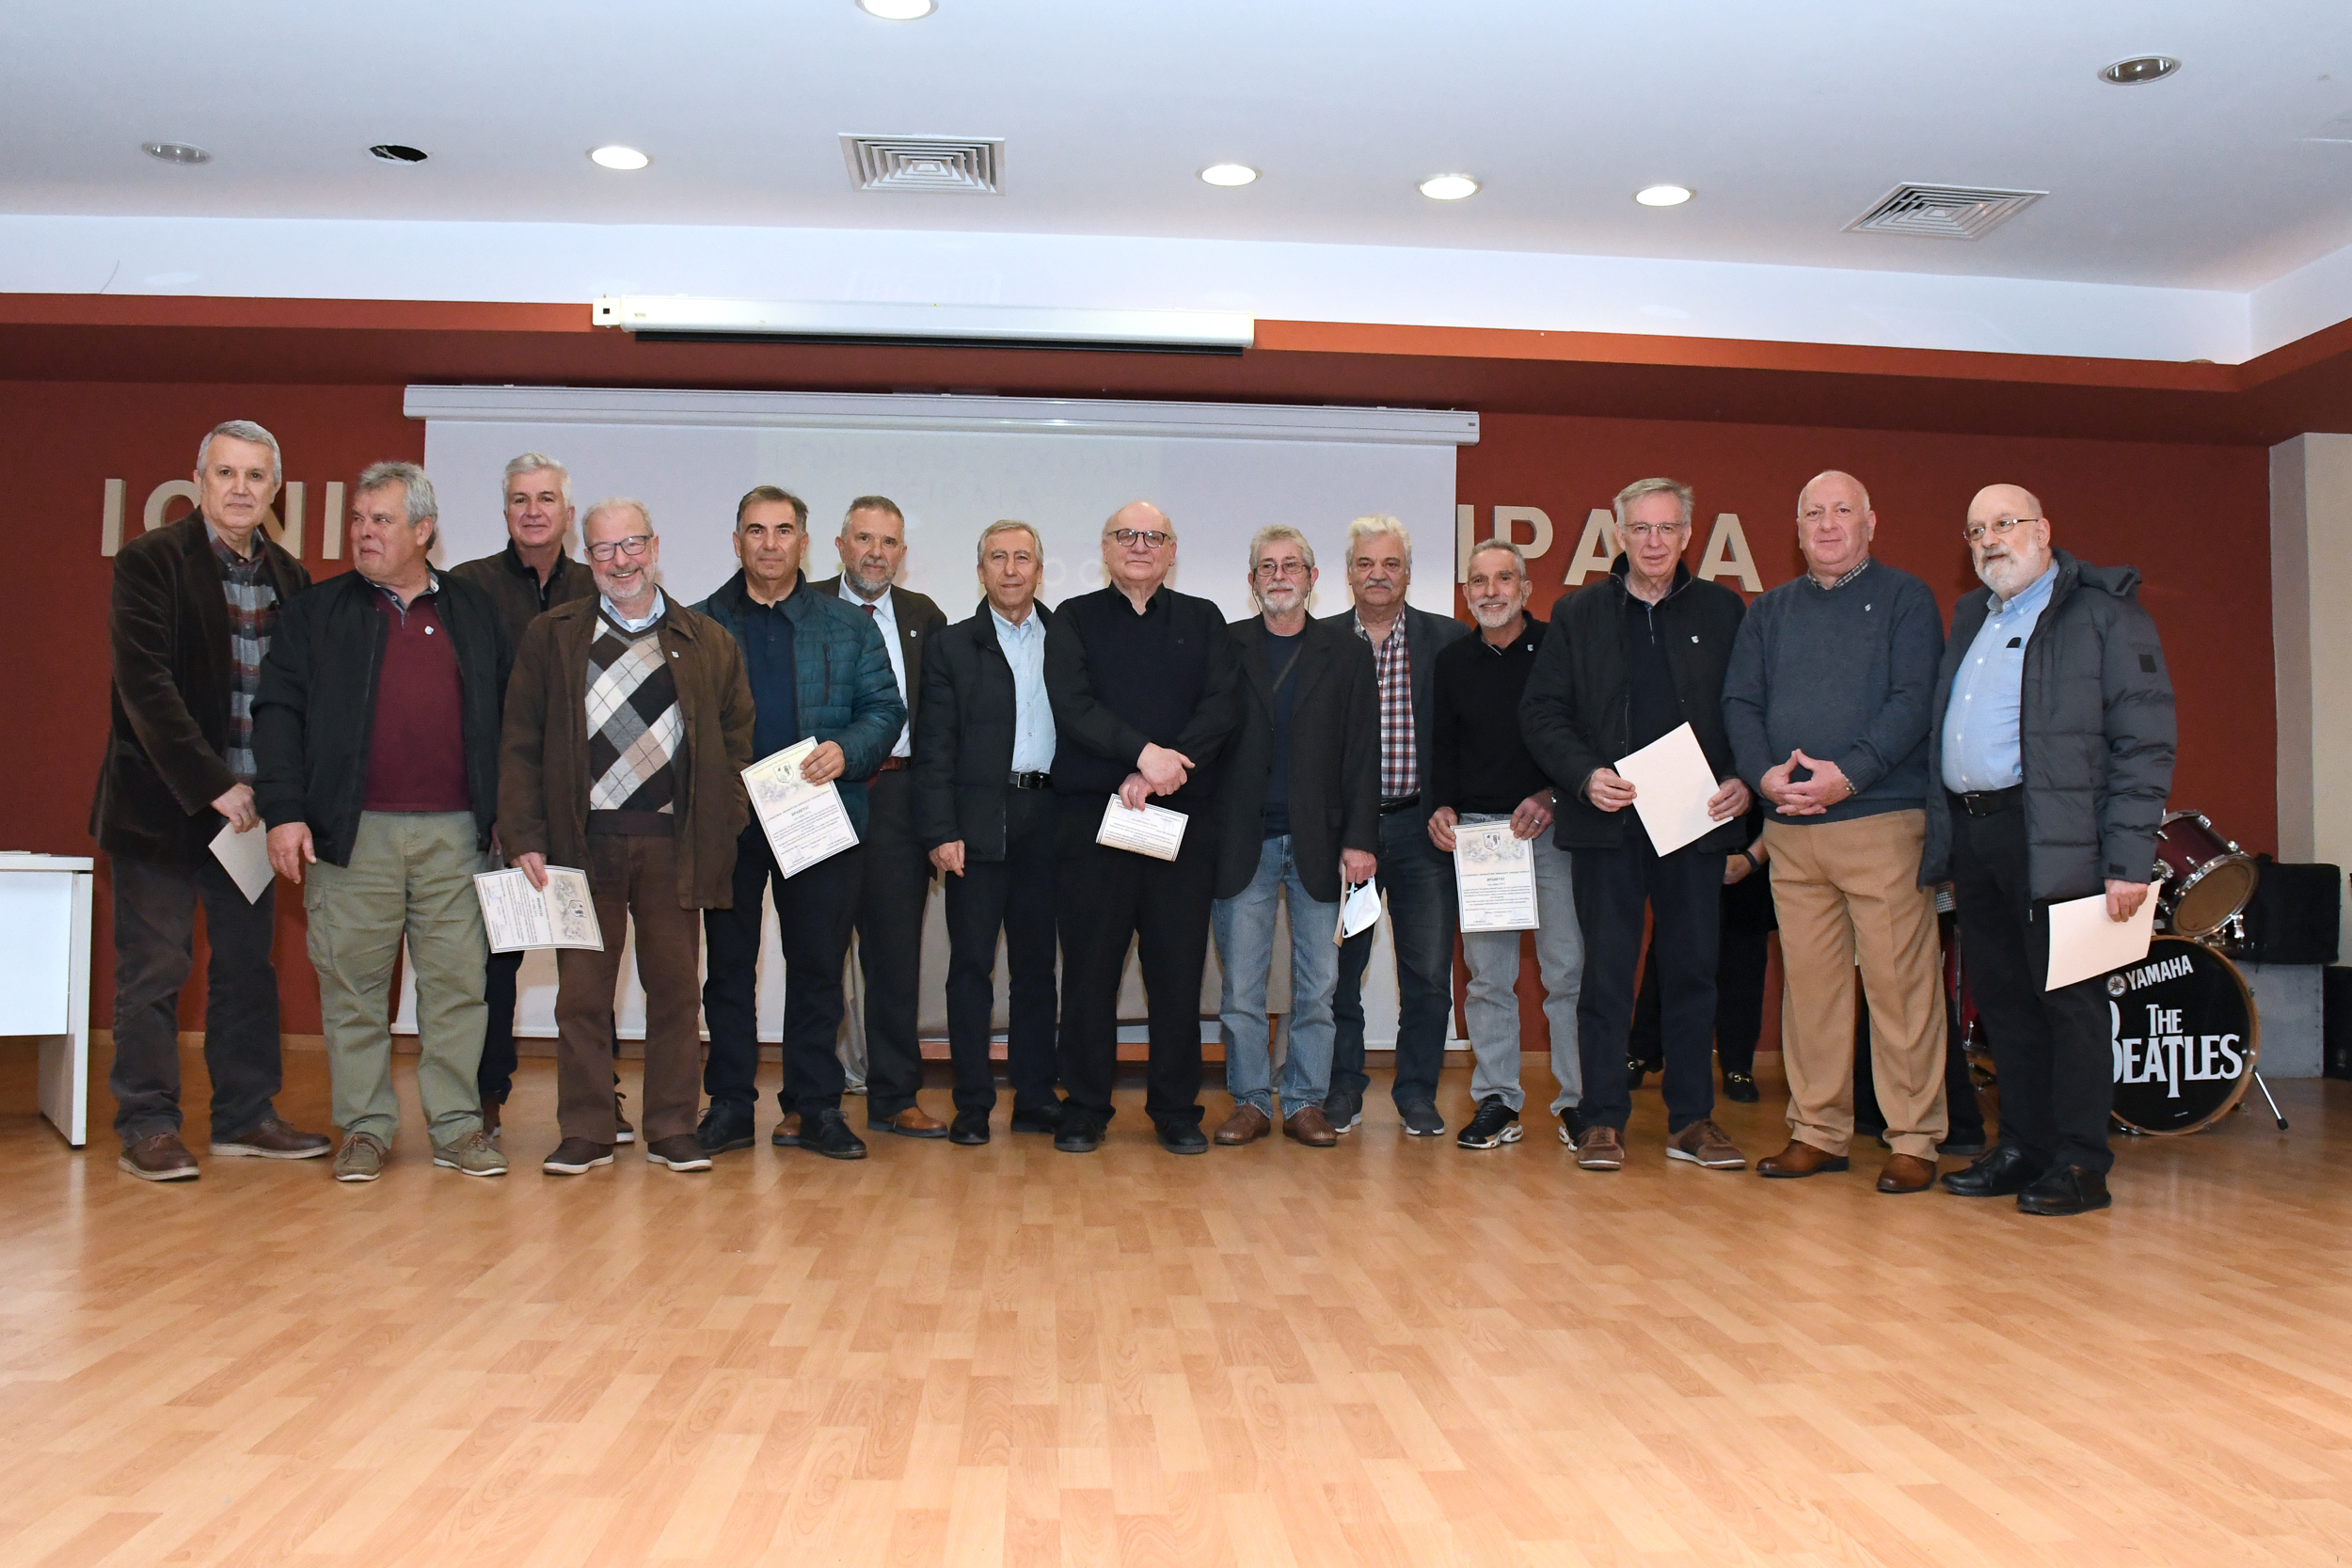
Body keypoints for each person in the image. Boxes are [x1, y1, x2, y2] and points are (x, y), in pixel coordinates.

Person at [254, 462, 513, 1181]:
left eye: (382, 520)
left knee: (458, 989)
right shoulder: (316, 611)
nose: (364, 532)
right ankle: (365, 1129)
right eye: (358, 519)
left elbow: (508, 716)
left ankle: (457, 1127)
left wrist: (511, 818)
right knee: (353, 991)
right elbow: (277, 714)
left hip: (456, 835)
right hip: (350, 834)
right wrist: (284, 812)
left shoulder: (474, 609)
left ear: (423, 530)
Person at [1922, 484, 2175, 1215]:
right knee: (2004, 1001)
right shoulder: (1973, 615)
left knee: (2071, 1004)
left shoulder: (2105, 614)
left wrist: (2127, 861)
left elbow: (2145, 742)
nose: (1989, 540)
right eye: (1976, 529)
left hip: (2062, 837)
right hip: (1980, 835)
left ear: (2043, 531)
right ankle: (2023, 1147)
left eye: (2005, 523)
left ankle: (2081, 1161)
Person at [92, 419, 329, 1180]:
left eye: (256, 476)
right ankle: (149, 1123)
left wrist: (282, 796)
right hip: (162, 809)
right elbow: (146, 688)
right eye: (226, 472)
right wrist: (213, 783)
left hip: (251, 819)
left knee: (246, 970)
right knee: (155, 970)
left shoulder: (291, 578)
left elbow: (296, 700)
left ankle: (245, 1116)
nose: (240, 488)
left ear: (275, 490)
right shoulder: (150, 561)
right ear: (199, 481)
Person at [500, 498, 755, 1177]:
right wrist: (524, 833)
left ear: (655, 546)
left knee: (676, 992)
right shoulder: (552, 635)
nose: (621, 561)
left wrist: (725, 816)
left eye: (632, 544)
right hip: (580, 847)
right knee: (582, 996)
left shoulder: (707, 639)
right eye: (605, 548)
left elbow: (737, 739)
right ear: (587, 557)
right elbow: (519, 740)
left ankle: (672, 1127)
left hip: (676, 845)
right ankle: (586, 1129)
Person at [1723, 469, 1949, 1194]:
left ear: (1870, 522)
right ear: (1797, 530)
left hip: (1880, 822)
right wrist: (1764, 775)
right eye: (1813, 513)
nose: (1827, 524)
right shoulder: (1770, 611)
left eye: (1842, 510)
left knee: (1899, 987)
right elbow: (1740, 701)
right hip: (1792, 829)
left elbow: (1914, 700)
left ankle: (1913, 1136)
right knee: (1811, 991)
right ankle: (1817, 1130)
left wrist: (1849, 774)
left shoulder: (1907, 599)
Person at [1520, 478, 1752, 1173]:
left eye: (1667, 528)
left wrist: (1741, 775)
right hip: (1608, 823)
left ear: (1688, 534)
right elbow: (1542, 714)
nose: (1654, 541)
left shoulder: (1723, 610)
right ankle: (1601, 1119)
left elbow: (1748, 705)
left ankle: (1692, 1119)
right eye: (1641, 528)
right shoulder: (1578, 613)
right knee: (1605, 974)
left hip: (1694, 820)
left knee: (1693, 971)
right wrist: (1584, 775)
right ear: (1618, 534)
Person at [694, 487, 905, 1160]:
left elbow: (885, 709)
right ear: (736, 542)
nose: (770, 543)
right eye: (756, 530)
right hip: (729, 821)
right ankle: (729, 1106)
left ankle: (815, 1106)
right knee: (728, 970)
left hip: (817, 814)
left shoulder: (848, 625)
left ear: (805, 543)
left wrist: (848, 749)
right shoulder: (698, 625)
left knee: (817, 967)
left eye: (783, 530)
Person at [1045, 501, 1240, 1155]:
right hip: (1093, 823)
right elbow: (1073, 706)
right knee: (1089, 972)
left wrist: (1158, 772)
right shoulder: (1073, 618)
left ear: (1172, 551)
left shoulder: (1204, 619)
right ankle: (1085, 1106)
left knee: (1177, 973)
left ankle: (1177, 1109)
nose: (1139, 545)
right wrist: (1141, 755)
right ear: (1105, 548)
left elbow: (1222, 707)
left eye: (1153, 536)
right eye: (1125, 535)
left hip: (1180, 822)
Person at [1208, 526, 1378, 1149]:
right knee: (1241, 989)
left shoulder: (1347, 652)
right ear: (1252, 581)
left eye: (1290, 566)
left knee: (1319, 987)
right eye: (1267, 567)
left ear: (1312, 577)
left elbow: (1362, 753)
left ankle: (1305, 1100)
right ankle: (1251, 1100)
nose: (1279, 576)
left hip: (1323, 844)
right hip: (1241, 841)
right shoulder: (1226, 646)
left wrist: (1360, 839)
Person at [448, 452, 602, 1144]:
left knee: (588, 960)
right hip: (495, 808)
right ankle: (486, 1095)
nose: (532, 511)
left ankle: (598, 1097)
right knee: (493, 961)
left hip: (585, 808)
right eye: (519, 499)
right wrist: (499, 810)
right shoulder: (467, 587)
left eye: (545, 499)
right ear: (505, 511)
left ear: (568, 513)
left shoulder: (598, 584)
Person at [1427, 539, 1584, 1150]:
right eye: (1478, 581)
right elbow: (1443, 745)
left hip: (1551, 830)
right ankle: (1497, 1099)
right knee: (1488, 979)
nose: (1490, 591)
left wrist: (1553, 795)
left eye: (1502, 579)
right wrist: (1443, 805)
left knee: (1566, 972)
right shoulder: (1452, 661)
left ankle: (1578, 1103)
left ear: (1525, 588)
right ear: (1466, 592)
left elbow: (1582, 736)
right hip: (1483, 838)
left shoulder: (1559, 650)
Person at [914, 521, 1065, 1145]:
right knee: (971, 967)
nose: (1010, 568)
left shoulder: (1066, 639)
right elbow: (934, 747)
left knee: (1036, 969)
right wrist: (940, 828)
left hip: (1048, 820)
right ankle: (973, 1101)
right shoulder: (952, 645)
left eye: (1022, 557)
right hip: (976, 824)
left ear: (1039, 571)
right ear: (980, 572)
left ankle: (1035, 1096)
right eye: (997, 558)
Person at [1325, 516, 1470, 1136]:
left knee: (1429, 975)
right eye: (1365, 563)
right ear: (1348, 573)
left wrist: (1453, 802)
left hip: (1422, 831)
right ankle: (1342, 1088)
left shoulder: (1448, 639)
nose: (1377, 574)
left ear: (1407, 573)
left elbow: (1467, 737)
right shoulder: (1323, 641)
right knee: (1339, 974)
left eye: (1390, 564)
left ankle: (1416, 1092)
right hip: (1347, 839)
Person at [812, 496, 950, 1136]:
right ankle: (812, 1100)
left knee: (895, 958)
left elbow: (939, 724)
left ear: (902, 552)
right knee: (817, 953)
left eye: (888, 541)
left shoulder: (925, 616)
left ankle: (895, 1097)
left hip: (898, 797)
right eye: (864, 539)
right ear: (839, 545)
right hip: (822, 795)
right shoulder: (807, 606)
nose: (876, 552)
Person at [1628, 802, 1773, 1104]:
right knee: (1670, 946)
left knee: (1745, 953)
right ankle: (1642, 1050)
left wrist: (1752, 857)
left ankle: (1738, 1065)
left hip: (1752, 837)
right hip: (1686, 831)